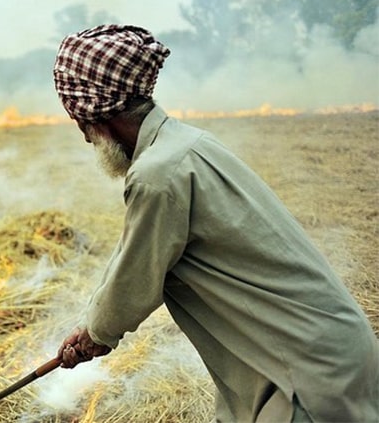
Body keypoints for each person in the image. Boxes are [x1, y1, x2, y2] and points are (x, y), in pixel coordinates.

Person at [52, 24, 379, 422]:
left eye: (82, 125)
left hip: (304, 372)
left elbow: (135, 280)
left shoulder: (158, 174)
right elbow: (132, 254)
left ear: (100, 116)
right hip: (328, 350)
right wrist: (90, 324)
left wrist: (94, 336)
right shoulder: (187, 144)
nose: (87, 140)